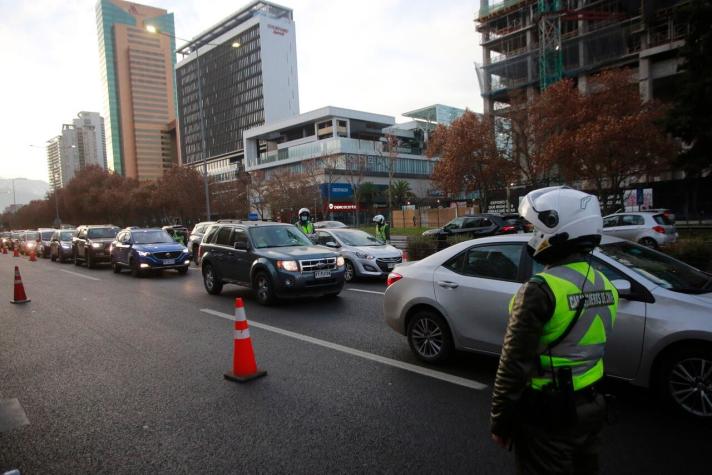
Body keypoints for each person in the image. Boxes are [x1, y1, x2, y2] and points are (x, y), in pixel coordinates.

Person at [490, 186, 618, 475]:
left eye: (537, 230)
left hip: (549, 415)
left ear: (559, 232)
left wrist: (500, 422)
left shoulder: (540, 290)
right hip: (593, 406)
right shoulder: (604, 283)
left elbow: (512, 364)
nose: (534, 237)